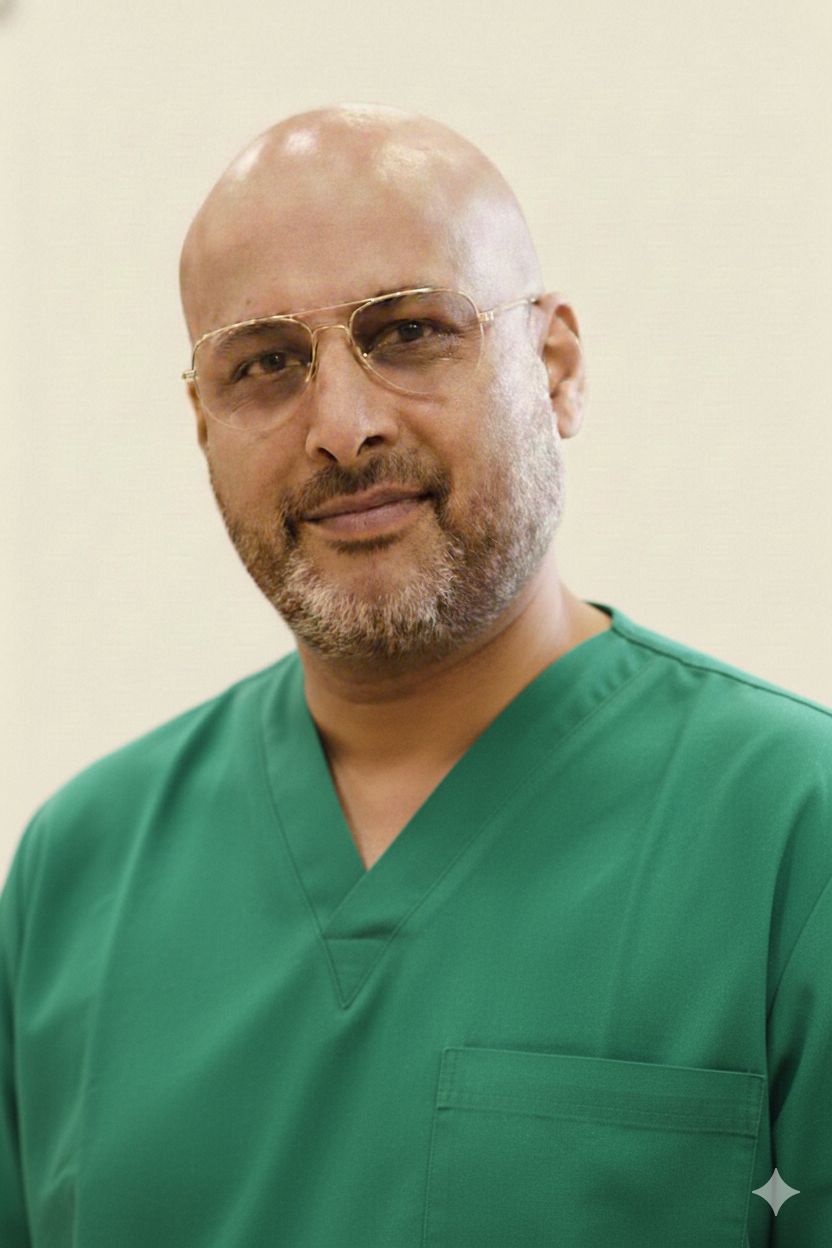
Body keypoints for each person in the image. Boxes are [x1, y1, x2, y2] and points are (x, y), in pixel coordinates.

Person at [1, 103, 829, 1248]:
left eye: (409, 333)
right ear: (202, 423)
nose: (341, 427)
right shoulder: (78, 870)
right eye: (265, 364)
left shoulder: (793, 834)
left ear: (555, 368)